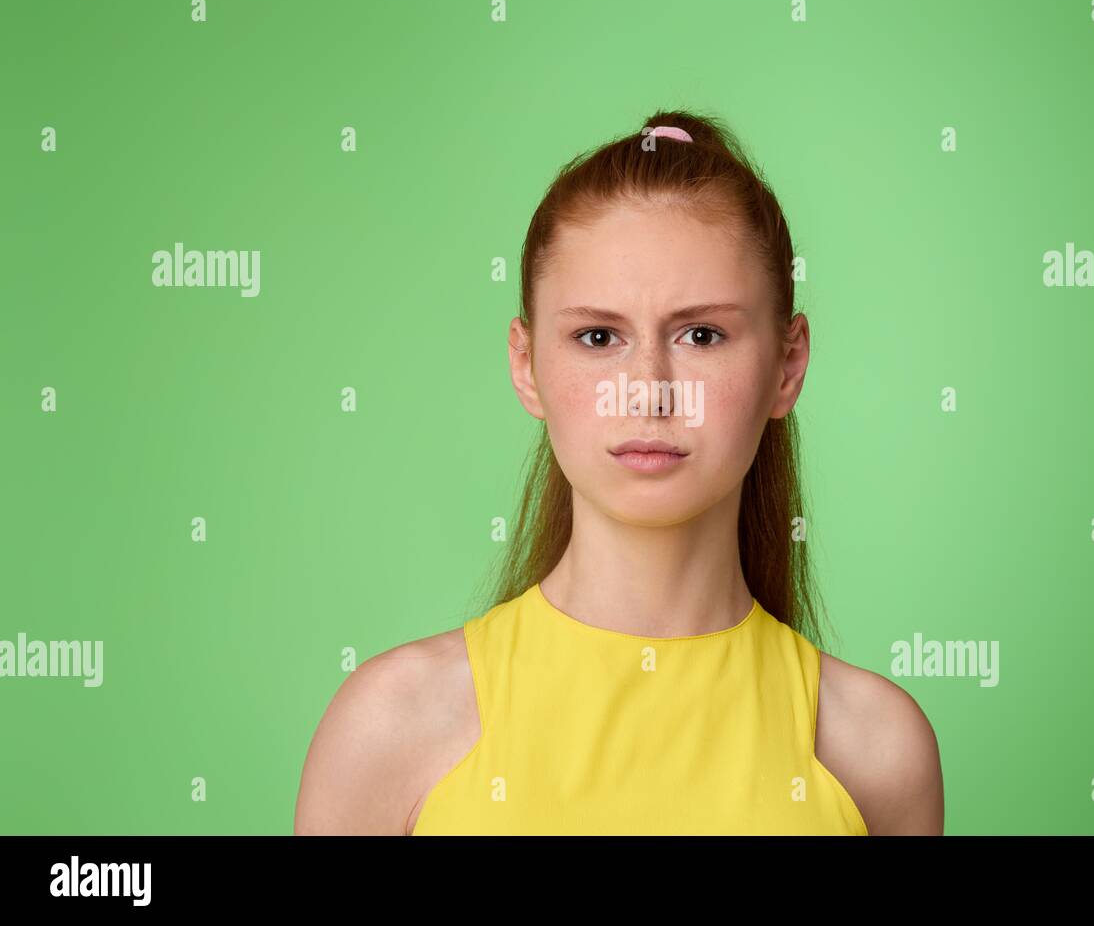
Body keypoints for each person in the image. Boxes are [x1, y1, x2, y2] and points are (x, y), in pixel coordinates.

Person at [294, 111, 944, 835]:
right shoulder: (390, 729)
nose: (648, 388)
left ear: (787, 365)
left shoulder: (875, 752)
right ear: (526, 364)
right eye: (598, 336)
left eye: (702, 333)